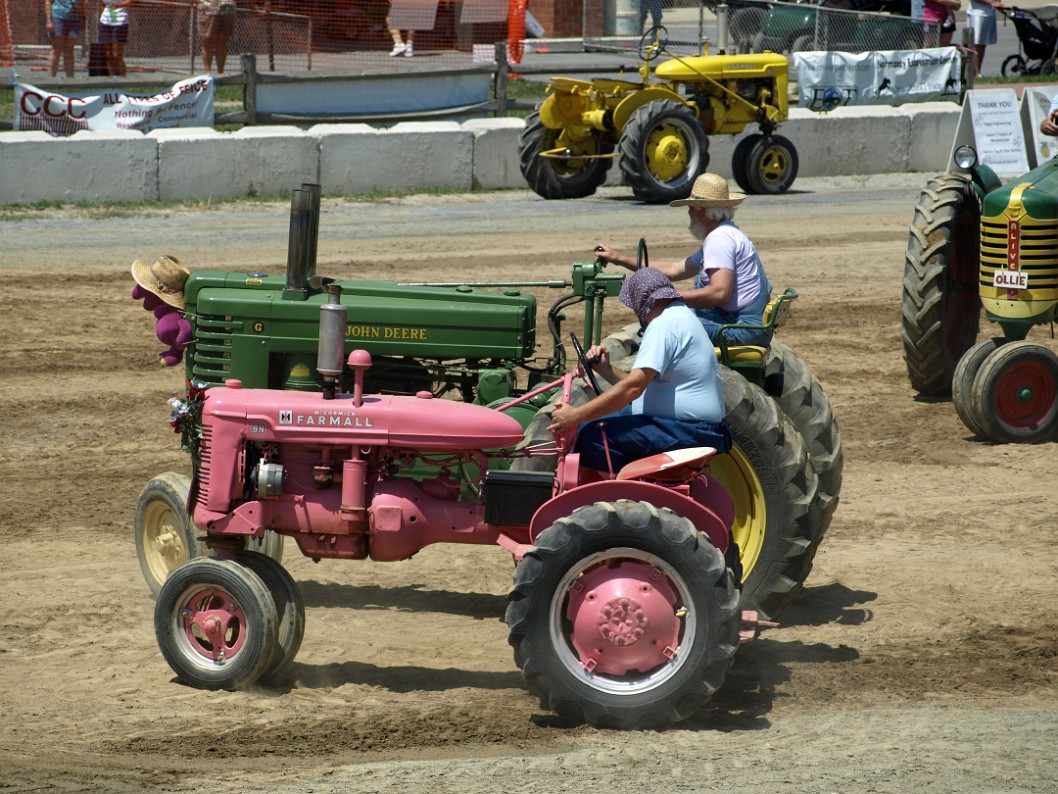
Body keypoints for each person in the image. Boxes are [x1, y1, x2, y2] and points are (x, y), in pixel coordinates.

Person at [548, 268, 731, 474]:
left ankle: (606, 497)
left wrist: (576, 415)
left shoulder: (663, 326)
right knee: (597, 422)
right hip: (693, 427)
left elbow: (633, 388)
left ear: (644, 302)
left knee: (590, 435)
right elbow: (640, 383)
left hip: (688, 430)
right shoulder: (681, 316)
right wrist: (606, 370)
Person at [593, 172, 774, 348]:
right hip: (746, 325)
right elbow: (674, 269)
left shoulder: (720, 240)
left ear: (700, 209)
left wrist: (668, 298)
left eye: (690, 207)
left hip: (739, 329)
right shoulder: (728, 233)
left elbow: (719, 293)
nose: (688, 212)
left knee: (661, 325)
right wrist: (619, 258)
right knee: (672, 317)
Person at [44, 0, 83, 78]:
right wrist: (49, 21)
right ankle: (51, 80)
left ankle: (70, 79)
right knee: (57, 49)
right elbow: (48, 2)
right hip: (58, 17)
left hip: (74, 18)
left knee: (69, 49)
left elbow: (83, 3)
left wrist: (83, 17)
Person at [197, 0, 236, 73]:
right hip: (209, 9)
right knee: (209, 41)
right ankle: (208, 72)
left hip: (227, 9)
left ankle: (221, 72)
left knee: (222, 42)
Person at [967, 0, 1003, 77]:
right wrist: (991, 3)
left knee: (982, 44)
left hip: (989, 13)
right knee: (976, 44)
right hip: (977, 13)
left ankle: (977, 71)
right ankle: (976, 73)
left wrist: (998, 2)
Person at [98, 0, 132, 78]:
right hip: (105, 22)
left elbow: (130, 1)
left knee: (117, 54)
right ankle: (113, 80)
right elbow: (102, 3)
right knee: (108, 54)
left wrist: (119, 4)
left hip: (120, 23)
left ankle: (123, 80)